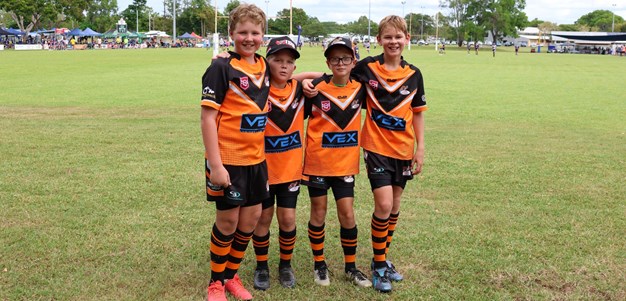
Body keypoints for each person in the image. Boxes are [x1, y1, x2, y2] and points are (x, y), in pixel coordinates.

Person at [302, 15, 428, 294]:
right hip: (375, 149)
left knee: (394, 207)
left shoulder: (414, 74)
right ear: (379, 40)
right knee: (383, 205)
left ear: (406, 39)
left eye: (398, 37)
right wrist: (304, 82)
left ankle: (381, 256)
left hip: (403, 150)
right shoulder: (366, 67)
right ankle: (379, 265)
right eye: (388, 37)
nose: (393, 42)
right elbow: (333, 73)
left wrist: (420, 148)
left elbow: (417, 114)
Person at [200, 4, 269, 301]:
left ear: (263, 36)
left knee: (249, 222)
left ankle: (231, 276)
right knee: (227, 223)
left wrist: (312, 79)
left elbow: (288, 77)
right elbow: (206, 118)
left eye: (255, 32)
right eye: (243, 32)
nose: (249, 37)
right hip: (228, 161)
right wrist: (216, 165)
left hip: (257, 160)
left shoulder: (264, 65)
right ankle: (216, 282)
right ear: (231, 34)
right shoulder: (220, 67)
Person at [303, 37, 372, 289]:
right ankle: (319, 264)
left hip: (345, 166)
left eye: (345, 58)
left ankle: (351, 267)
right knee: (318, 213)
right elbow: (289, 78)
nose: (340, 62)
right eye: (334, 58)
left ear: (354, 61)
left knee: (347, 214)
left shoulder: (361, 87)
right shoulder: (316, 87)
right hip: (318, 164)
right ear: (328, 62)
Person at [250, 36, 305, 291]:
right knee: (263, 218)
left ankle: (285, 265)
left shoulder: (301, 89)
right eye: (277, 60)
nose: (284, 66)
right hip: (263, 168)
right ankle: (262, 266)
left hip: (291, 169)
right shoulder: (257, 89)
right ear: (266, 62)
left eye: (289, 62)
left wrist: (304, 78)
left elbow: (325, 76)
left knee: (288, 219)